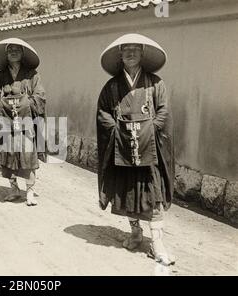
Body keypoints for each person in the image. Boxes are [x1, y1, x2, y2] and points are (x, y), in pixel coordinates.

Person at [97, 33, 175, 265]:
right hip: (123, 148)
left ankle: (157, 242)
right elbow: (103, 113)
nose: (130, 53)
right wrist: (119, 132)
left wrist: (148, 130)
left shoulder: (155, 83)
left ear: (142, 53)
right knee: (128, 192)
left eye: (135, 49)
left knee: (153, 194)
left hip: (148, 148)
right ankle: (135, 232)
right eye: (126, 49)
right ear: (120, 55)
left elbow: (164, 112)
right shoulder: (111, 87)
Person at [0, 38, 46, 206]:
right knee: (8, 155)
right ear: (6, 54)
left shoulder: (32, 75)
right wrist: (3, 105)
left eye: (17, 50)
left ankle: (29, 191)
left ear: (22, 54)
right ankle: (14, 189)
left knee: (27, 155)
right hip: (6, 124)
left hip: (26, 124)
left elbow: (40, 96)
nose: (13, 52)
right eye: (10, 50)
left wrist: (24, 103)